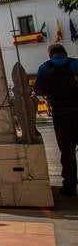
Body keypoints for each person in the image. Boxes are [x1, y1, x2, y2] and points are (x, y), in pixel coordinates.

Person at [34, 43, 78, 196]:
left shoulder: (45, 68)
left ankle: (69, 186)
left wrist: (49, 94)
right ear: (65, 53)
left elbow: (38, 90)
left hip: (61, 113)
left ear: (50, 55)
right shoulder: (75, 63)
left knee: (67, 151)